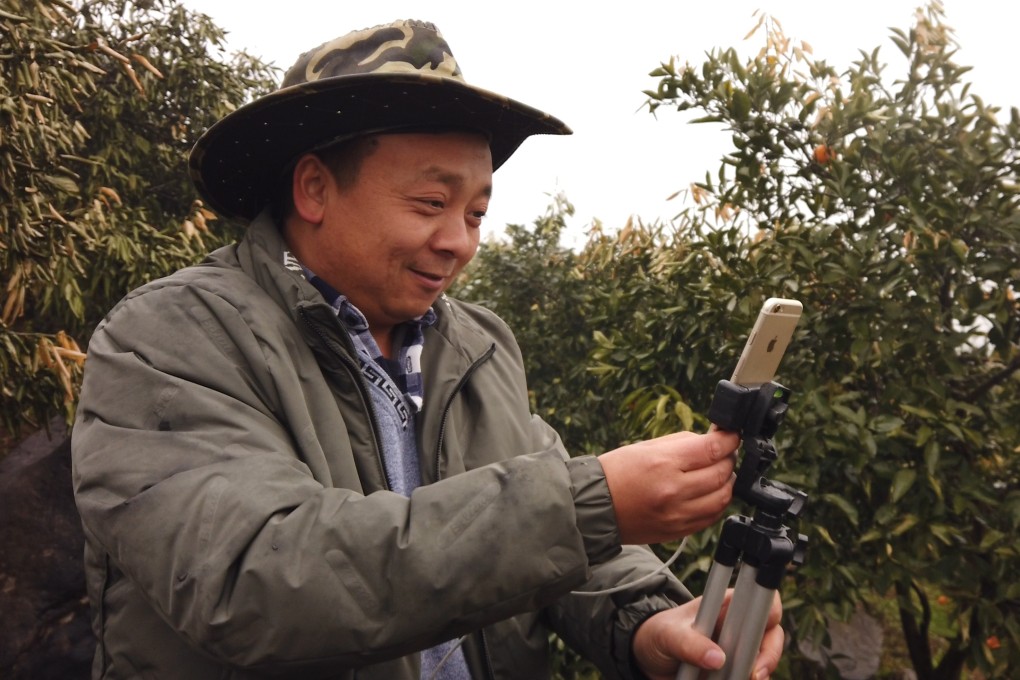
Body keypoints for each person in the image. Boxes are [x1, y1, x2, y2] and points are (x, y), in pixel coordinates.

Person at [71, 19, 783, 680]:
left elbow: (550, 538)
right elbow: (255, 578)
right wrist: (589, 505)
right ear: (315, 188)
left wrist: (651, 620)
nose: (459, 241)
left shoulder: (476, 346)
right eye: (429, 204)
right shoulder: (170, 338)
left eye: (476, 212)